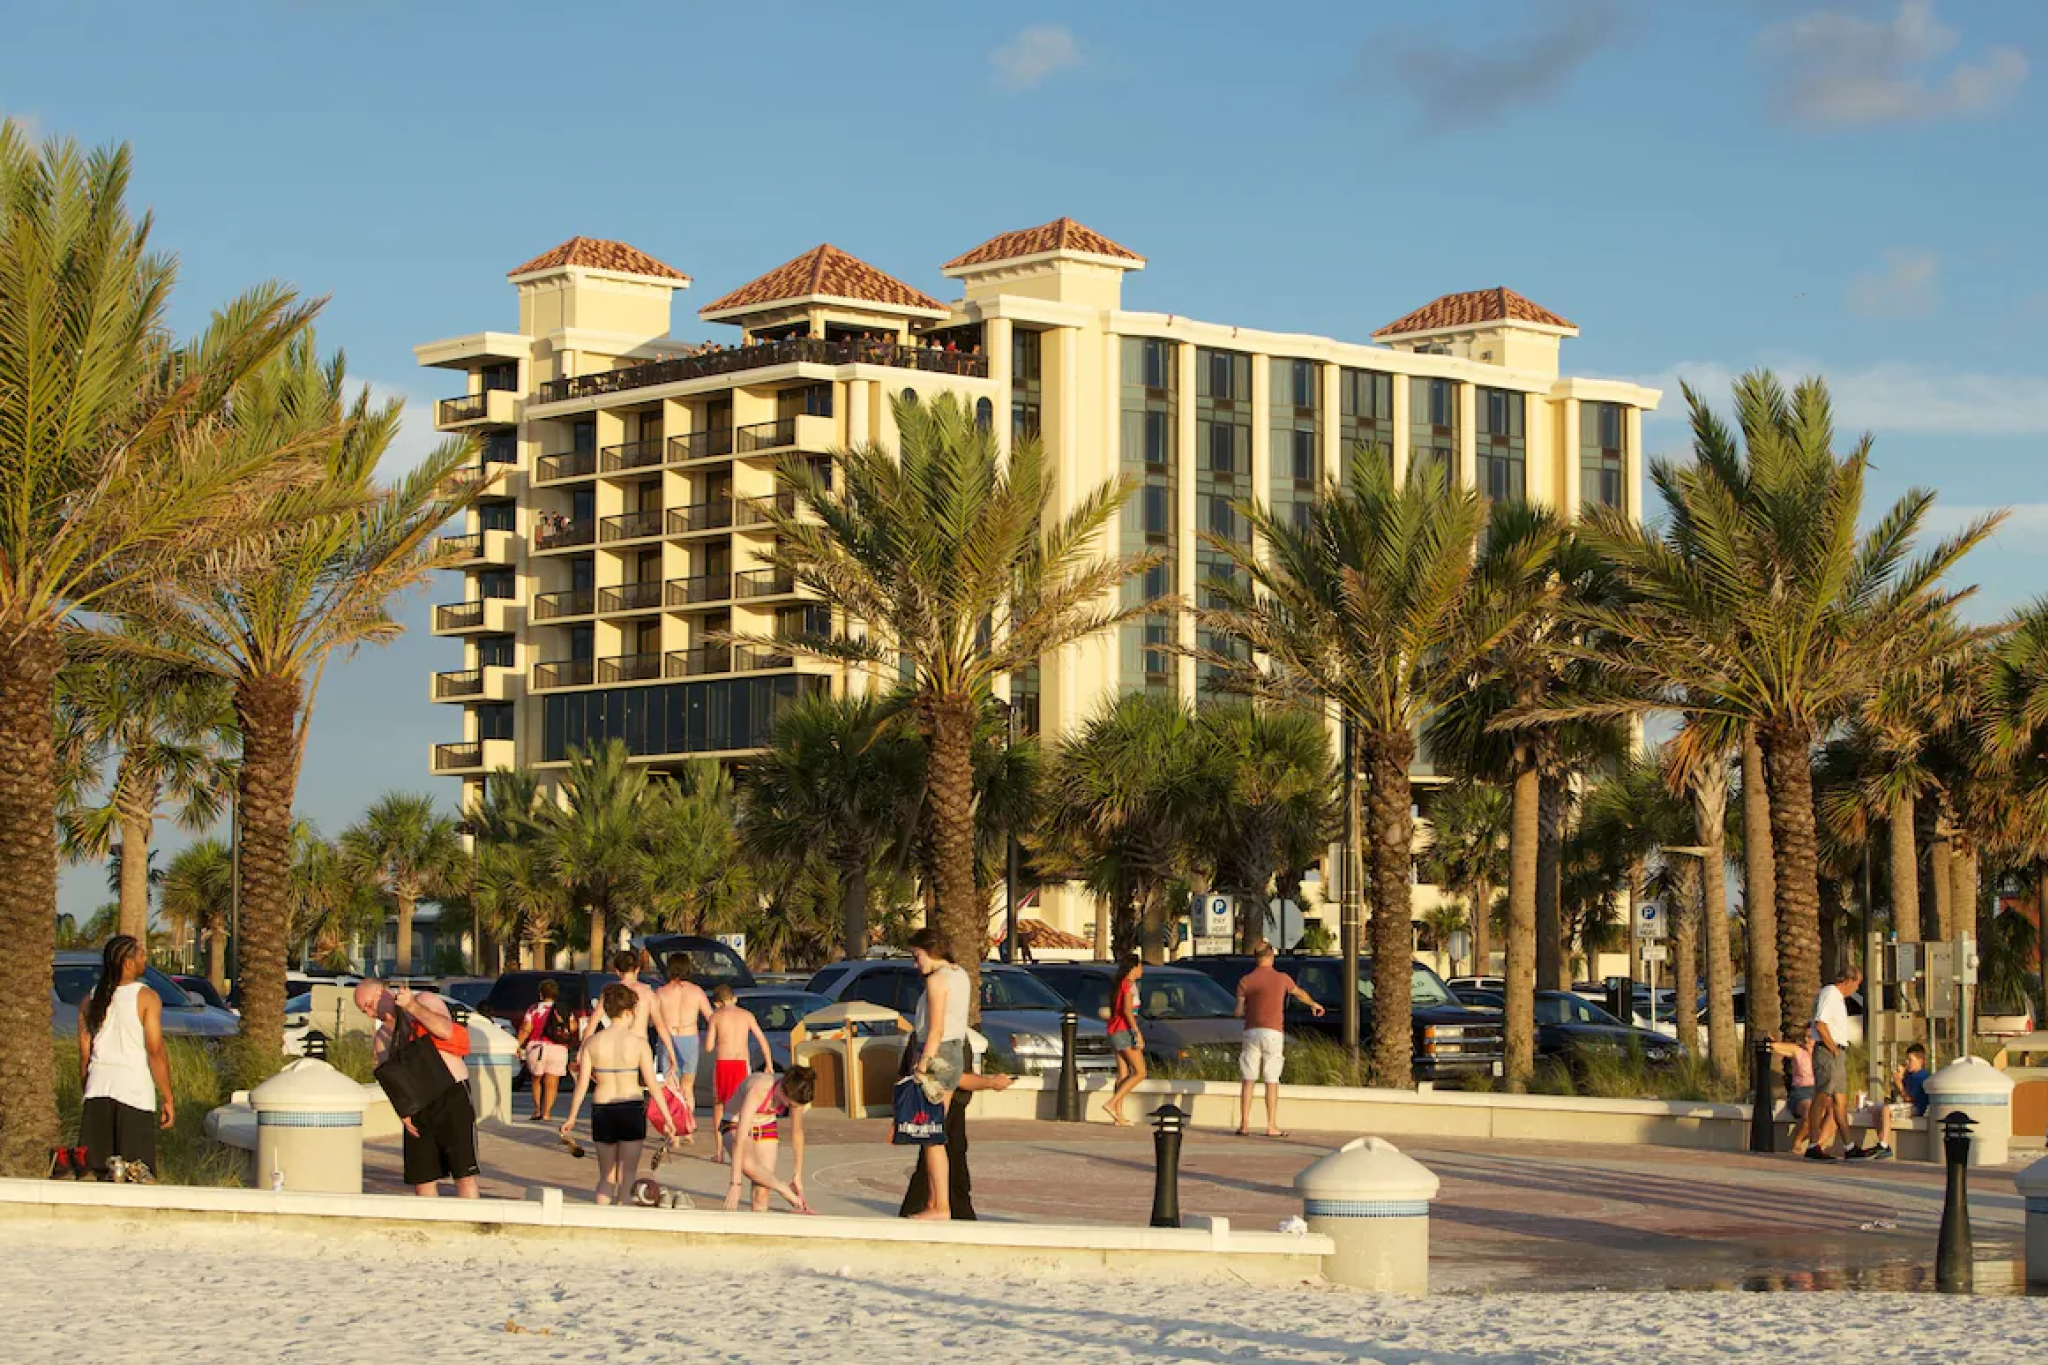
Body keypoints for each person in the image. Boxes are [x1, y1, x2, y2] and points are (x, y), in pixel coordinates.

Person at [356, 979, 481, 1197]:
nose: (368, 1013)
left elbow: (445, 1031)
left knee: (464, 1174)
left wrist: (411, 1006)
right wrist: (403, 1112)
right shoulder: (382, 1037)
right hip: (419, 1105)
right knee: (423, 1179)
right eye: (363, 1010)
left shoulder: (423, 1000)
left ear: (381, 992)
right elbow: (391, 1078)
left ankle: (471, 1225)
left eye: (368, 1005)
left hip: (451, 1092)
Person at [559, 984, 677, 1204]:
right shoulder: (639, 1043)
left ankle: (602, 1218)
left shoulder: (592, 1043)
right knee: (627, 1175)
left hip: (602, 1107)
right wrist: (667, 1119)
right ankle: (622, 1219)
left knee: (606, 1176)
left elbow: (582, 1085)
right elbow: (652, 1084)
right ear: (627, 1012)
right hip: (631, 1106)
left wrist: (571, 1118)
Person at [76, 935, 172, 1181]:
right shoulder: (146, 997)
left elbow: (85, 1055)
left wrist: (86, 1088)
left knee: (94, 1175)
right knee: (137, 1175)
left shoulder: (90, 999)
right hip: (133, 1092)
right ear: (128, 963)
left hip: (97, 1089)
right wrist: (167, 1097)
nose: (145, 958)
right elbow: (155, 1050)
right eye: (141, 954)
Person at [897, 1038, 1014, 1221]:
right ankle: (947, 1211)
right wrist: (990, 1082)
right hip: (944, 1108)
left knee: (932, 1161)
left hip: (933, 1108)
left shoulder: (923, 1035)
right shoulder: (947, 1038)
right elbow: (956, 1078)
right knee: (949, 1163)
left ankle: (929, 1207)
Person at [904, 927, 971, 1220]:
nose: (915, 962)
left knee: (932, 1136)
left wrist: (922, 1065)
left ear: (929, 950)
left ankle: (940, 1207)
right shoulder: (960, 974)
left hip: (937, 1053)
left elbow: (936, 1029)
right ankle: (934, 1203)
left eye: (916, 955)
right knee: (934, 1133)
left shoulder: (937, 981)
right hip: (954, 1051)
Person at [1234, 941, 1324, 1138]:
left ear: (1255, 958)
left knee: (1248, 1078)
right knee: (1271, 1079)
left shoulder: (1245, 981)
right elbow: (1299, 993)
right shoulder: (1282, 979)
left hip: (1251, 1032)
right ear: (1271, 955)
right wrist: (1313, 1004)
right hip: (1273, 1032)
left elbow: (1238, 1011)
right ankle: (1271, 1125)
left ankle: (1244, 1124)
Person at [723, 1064, 816, 1214]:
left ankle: (758, 1231)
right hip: (735, 1121)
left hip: (765, 1124)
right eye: (790, 1104)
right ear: (783, 1090)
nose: (789, 1107)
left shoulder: (796, 1093)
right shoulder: (760, 1087)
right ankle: (782, 1189)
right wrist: (735, 1183)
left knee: (762, 1190)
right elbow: (740, 1138)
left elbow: (797, 1133)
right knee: (748, 1164)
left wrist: (797, 1175)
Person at [706, 983, 772, 1160]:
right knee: (744, 1105)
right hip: (742, 1064)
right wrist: (769, 1063)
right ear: (734, 998)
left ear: (717, 1003)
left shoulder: (716, 1016)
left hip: (723, 1063)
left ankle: (719, 1151)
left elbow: (708, 1046)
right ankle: (744, 1148)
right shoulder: (746, 1015)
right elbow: (761, 1039)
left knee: (719, 1104)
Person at [592, 949, 678, 1080]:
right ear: (637, 969)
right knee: (637, 1090)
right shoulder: (648, 993)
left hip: (616, 1045)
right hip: (640, 1046)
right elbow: (660, 1026)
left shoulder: (611, 993)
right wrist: (672, 1054)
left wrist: (583, 1049)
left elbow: (593, 1022)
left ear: (617, 971)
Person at [1805, 964, 1861, 1162]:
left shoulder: (1837, 998)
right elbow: (1820, 1024)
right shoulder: (1829, 994)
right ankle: (1813, 1144)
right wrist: (1833, 1049)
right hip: (1828, 1051)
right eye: (1857, 984)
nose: (1857, 988)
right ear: (1848, 981)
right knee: (1822, 1095)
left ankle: (1849, 1145)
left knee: (1840, 1099)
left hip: (1837, 1052)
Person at [655, 953, 715, 1137]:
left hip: (668, 1038)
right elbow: (711, 1017)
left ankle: (673, 1132)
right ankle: (687, 1128)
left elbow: (653, 1020)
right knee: (688, 1086)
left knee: (670, 1087)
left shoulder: (661, 992)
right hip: (689, 1038)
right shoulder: (696, 991)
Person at [1845, 1042, 1931, 1162]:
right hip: (1906, 1104)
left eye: (1910, 1060)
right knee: (1875, 1110)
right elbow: (1899, 1095)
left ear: (1920, 1060)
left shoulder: (1921, 1076)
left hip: (1915, 1107)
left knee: (1886, 1110)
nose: (1907, 1063)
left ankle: (1883, 1145)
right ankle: (1882, 1141)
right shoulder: (1909, 1075)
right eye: (1906, 1059)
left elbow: (1909, 1098)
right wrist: (1899, 1080)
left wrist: (1899, 1084)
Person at [514, 979, 572, 1123]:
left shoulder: (534, 1009)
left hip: (536, 1047)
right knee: (552, 1082)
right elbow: (573, 1026)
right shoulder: (563, 1009)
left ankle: (538, 1110)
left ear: (541, 994)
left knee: (536, 1080)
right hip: (558, 1048)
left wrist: (517, 1045)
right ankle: (547, 1112)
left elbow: (526, 1029)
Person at [1103, 955, 1148, 1127]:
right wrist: (1136, 1032)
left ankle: (1118, 1115)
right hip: (1123, 1031)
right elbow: (1128, 1011)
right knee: (1140, 1072)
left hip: (1114, 1029)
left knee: (1123, 1073)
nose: (1141, 970)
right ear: (1134, 967)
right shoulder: (1129, 985)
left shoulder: (1121, 984)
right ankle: (1112, 1103)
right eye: (1140, 966)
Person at [1769, 1027, 1822, 1155]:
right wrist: (1772, 1041)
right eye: (1805, 1036)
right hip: (1801, 1092)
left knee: (1831, 1112)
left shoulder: (1822, 1054)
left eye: (1809, 1037)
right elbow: (1777, 1047)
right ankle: (1797, 1143)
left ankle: (1818, 1144)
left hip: (1818, 1091)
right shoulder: (1798, 1050)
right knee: (1810, 1111)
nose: (1806, 1039)